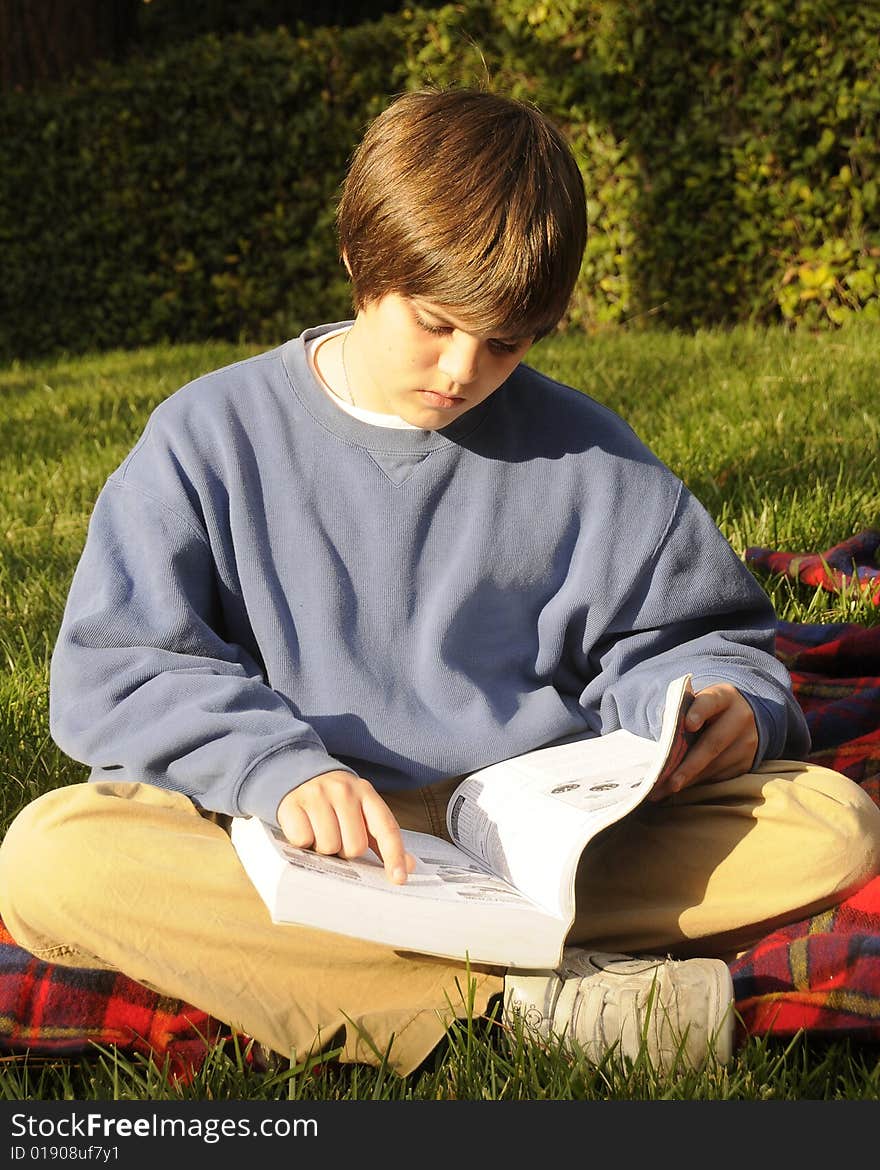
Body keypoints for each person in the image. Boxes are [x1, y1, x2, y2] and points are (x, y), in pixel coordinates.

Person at [1, 87, 879, 1078]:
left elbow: (698, 639)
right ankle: (530, 1011)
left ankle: (370, 982)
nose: (463, 370)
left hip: (530, 840)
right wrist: (276, 769)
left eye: (506, 342)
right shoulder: (208, 438)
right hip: (292, 839)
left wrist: (729, 706)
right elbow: (117, 669)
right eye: (434, 324)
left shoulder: (590, 457)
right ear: (359, 263)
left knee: (828, 827)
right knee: (50, 857)